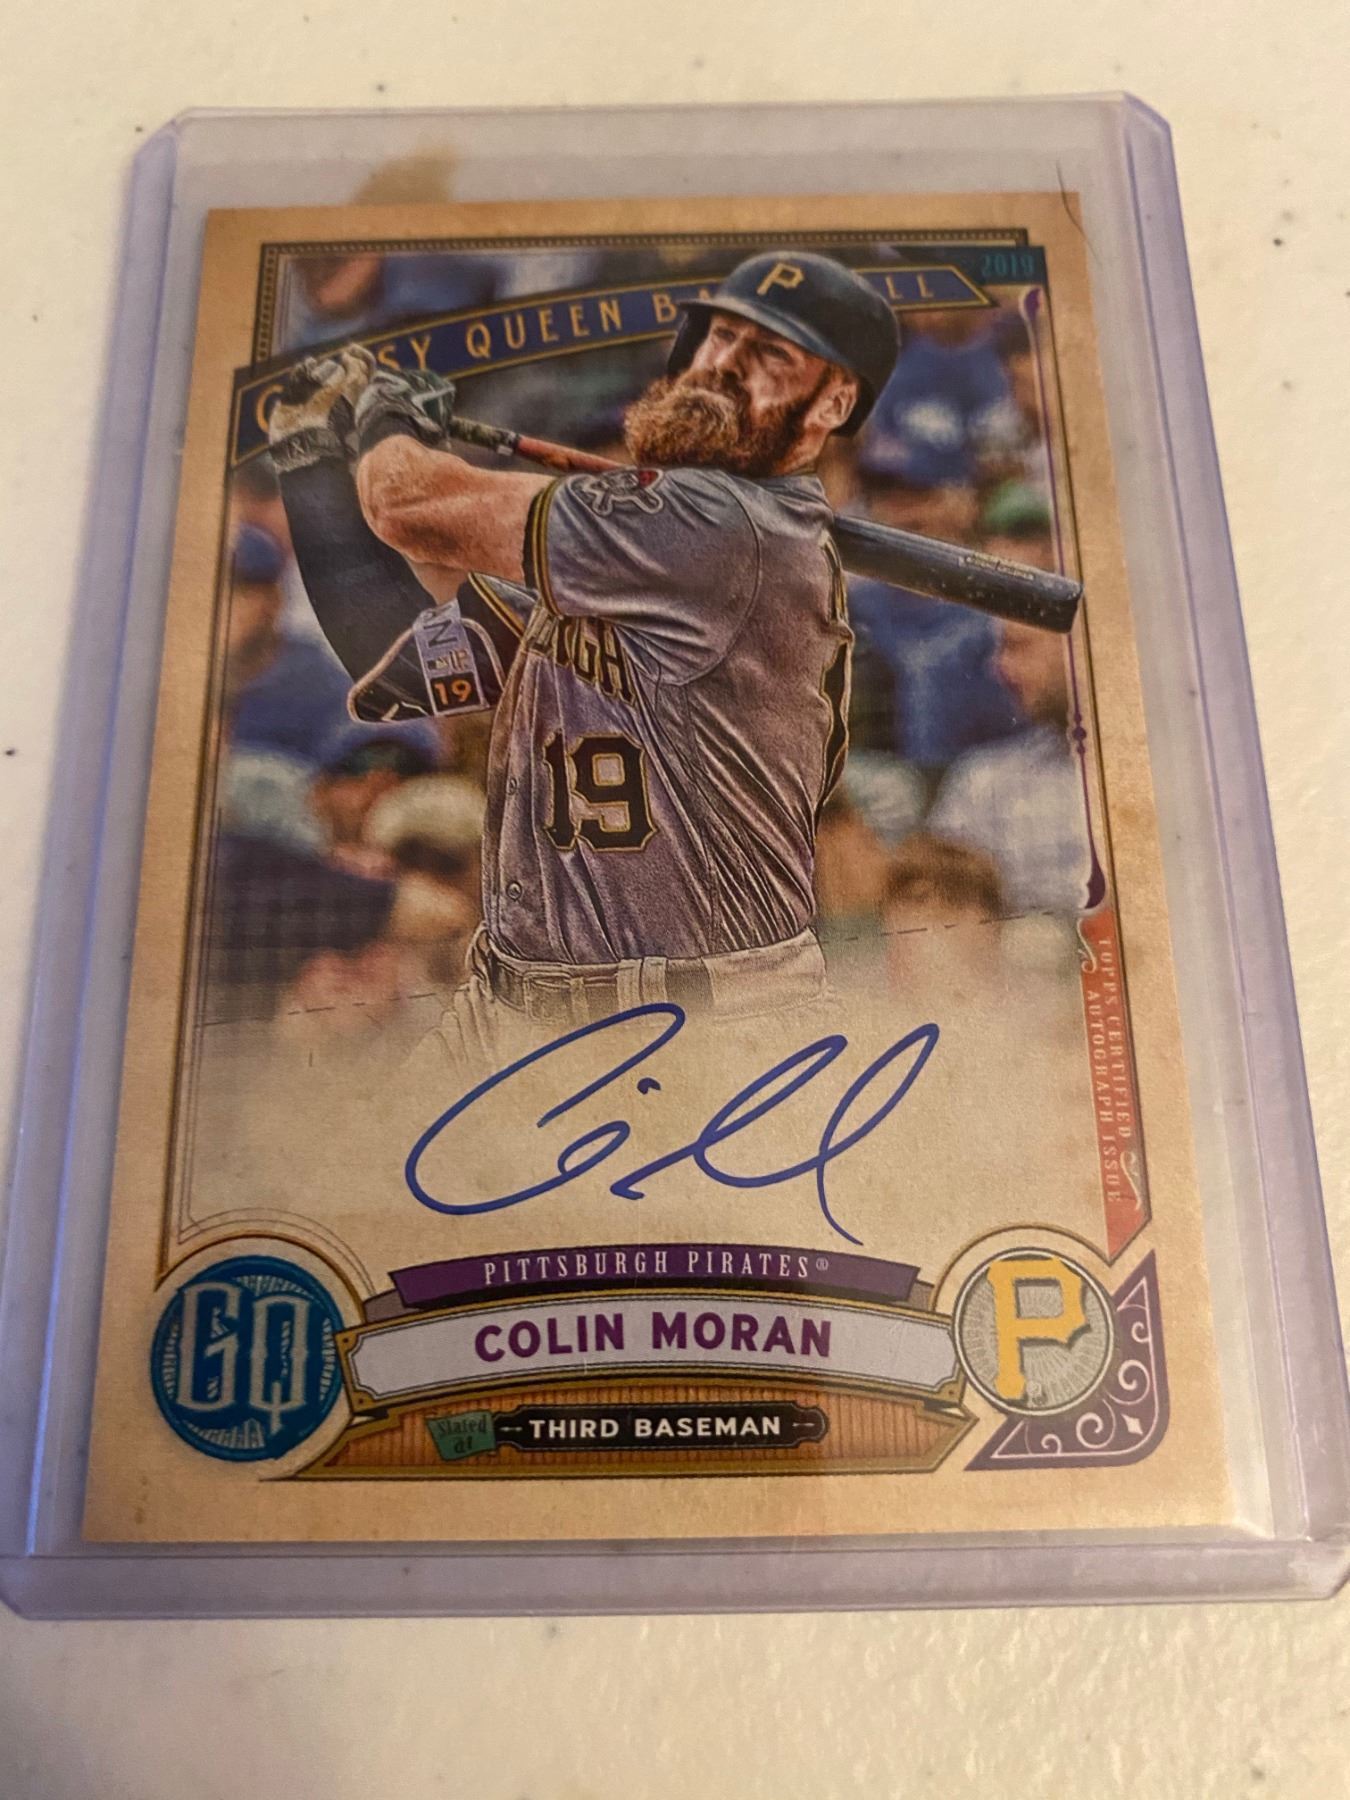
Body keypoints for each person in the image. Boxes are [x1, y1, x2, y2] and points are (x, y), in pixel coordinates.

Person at [268, 252, 901, 1057]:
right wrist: (310, 469)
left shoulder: (723, 523)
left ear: (834, 402)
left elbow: (410, 503)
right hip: (519, 999)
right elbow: (387, 644)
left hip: (696, 1018)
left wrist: (385, 418)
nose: (724, 364)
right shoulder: (630, 574)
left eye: (772, 355)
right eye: (722, 336)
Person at [926, 616, 1093, 917]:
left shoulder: (1170, 769)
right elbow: (935, 910)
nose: (998, 668)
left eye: (1018, 646)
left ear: (1086, 649)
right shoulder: (982, 781)